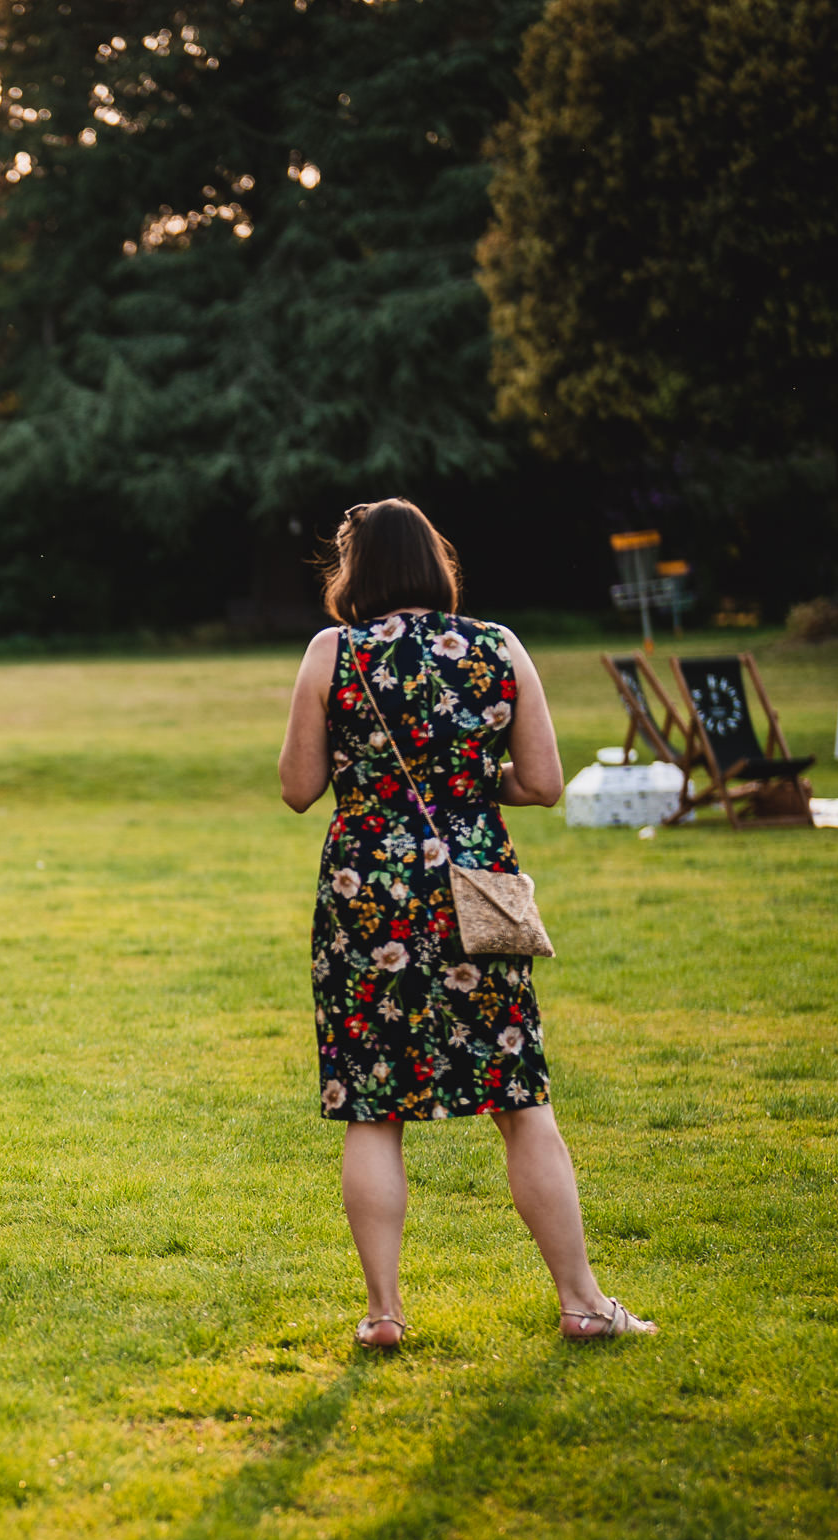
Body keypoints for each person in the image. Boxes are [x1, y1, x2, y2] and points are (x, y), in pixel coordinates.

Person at [276, 499, 655, 1348]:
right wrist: (468, 788)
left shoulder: (332, 653)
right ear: (433, 563)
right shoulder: (496, 645)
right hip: (472, 893)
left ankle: (383, 1312)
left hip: (365, 891)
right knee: (521, 1099)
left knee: (373, 1106)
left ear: (355, 571)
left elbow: (299, 787)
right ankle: (583, 1300)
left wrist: (363, 774)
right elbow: (544, 781)